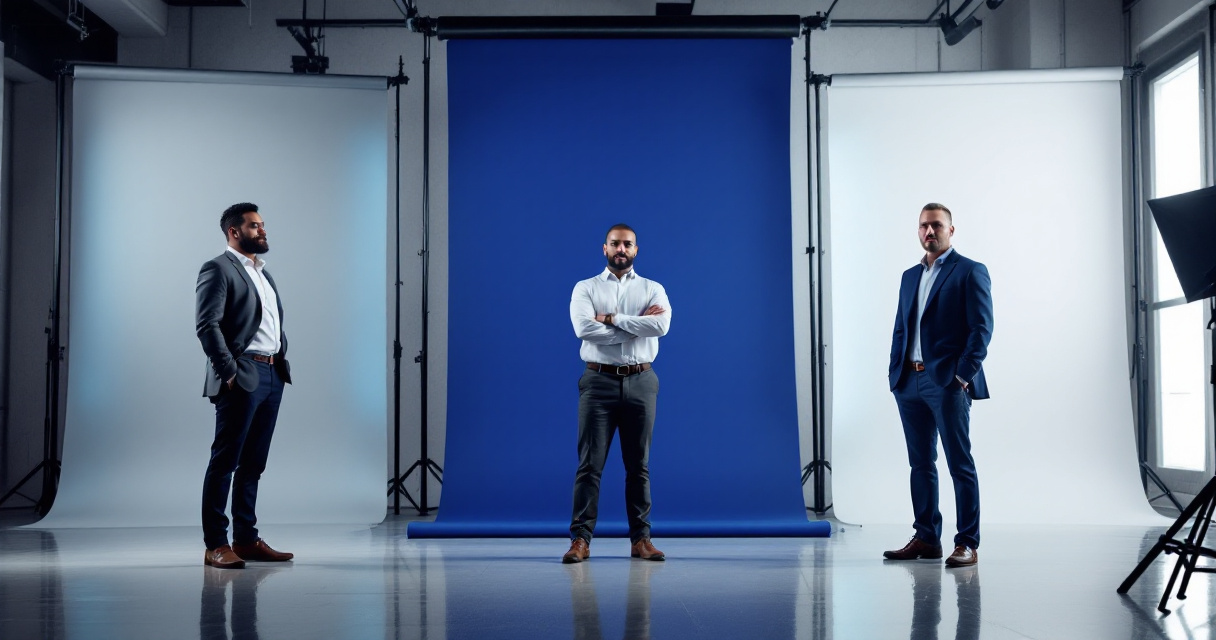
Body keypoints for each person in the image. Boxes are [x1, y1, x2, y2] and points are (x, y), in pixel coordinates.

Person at [883, 203, 992, 568]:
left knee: (959, 463)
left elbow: (982, 330)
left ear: (951, 230)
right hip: (908, 381)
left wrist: (962, 376)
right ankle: (927, 538)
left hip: (946, 382)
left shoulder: (970, 271)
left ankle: (967, 543)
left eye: (936, 226)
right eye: (923, 226)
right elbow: (901, 327)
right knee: (921, 464)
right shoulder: (909, 276)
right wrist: (894, 371)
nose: (929, 232)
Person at [563, 223, 672, 564]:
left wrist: (610, 319)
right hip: (598, 383)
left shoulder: (653, 289)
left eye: (627, 244)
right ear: (604, 248)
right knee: (589, 466)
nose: (621, 249)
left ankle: (641, 540)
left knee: (638, 466)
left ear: (636, 250)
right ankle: (580, 540)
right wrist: (633, 327)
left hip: (642, 381)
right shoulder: (586, 288)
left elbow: (661, 326)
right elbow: (583, 328)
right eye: (615, 244)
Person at [197, 202, 295, 569]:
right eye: (255, 226)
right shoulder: (217, 269)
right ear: (234, 232)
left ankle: (247, 539)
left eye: (263, 224)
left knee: (254, 463)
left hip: (272, 375)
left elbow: (268, 323)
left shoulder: (263, 273)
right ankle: (216, 545)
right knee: (225, 461)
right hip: (242, 375)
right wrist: (230, 373)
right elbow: (208, 325)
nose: (263, 230)